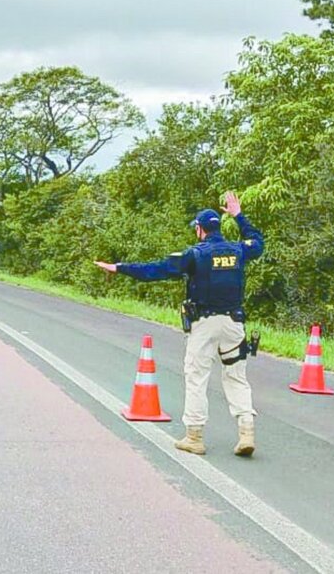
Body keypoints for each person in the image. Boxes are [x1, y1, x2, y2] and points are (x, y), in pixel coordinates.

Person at [95, 192, 265, 456]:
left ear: (199, 230)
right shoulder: (238, 250)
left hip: (205, 324)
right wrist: (239, 215)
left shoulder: (195, 255)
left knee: (197, 377)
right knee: (236, 377)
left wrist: (120, 267)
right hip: (234, 323)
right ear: (218, 227)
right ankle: (246, 431)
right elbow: (258, 243)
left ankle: (194, 436)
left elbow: (158, 269)